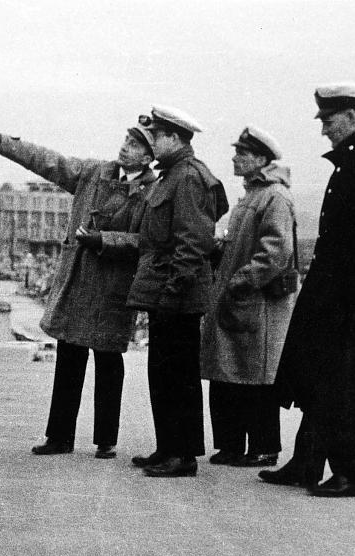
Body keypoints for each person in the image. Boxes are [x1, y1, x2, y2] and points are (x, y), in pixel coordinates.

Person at [0, 119, 158, 459]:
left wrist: (105, 239)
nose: (124, 147)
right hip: (78, 281)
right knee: (69, 359)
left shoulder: (153, 193)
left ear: (148, 158)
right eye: (126, 140)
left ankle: (106, 439)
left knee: (109, 363)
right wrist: (5, 143)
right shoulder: (94, 173)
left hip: (114, 287)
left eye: (134, 145)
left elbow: (147, 241)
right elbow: (50, 161)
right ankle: (59, 437)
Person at [268, 83, 355, 497]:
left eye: (329, 121)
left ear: (350, 116)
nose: (325, 129)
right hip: (338, 285)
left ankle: (352, 473)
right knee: (322, 375)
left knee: (348, 382)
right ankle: (307, 462)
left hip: (352, 289)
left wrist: (345, 297)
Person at [102, 106, 229, 477]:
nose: (152, 143)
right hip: (165, 289)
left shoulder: (188, 177)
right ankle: (168, 447)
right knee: (163, 373)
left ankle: (183, 455)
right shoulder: (173, 175)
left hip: (177, 292)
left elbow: (193, 240)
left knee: (179, 375)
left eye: (156, 136)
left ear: (174, 138)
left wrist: (173, 289)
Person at [201, 126, 297, 468]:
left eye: (242, 153)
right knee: (230, 374)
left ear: (259, 159)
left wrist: (240, 281)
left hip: (257, 303)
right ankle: (230, 445)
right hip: (238, 301)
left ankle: (263, 447)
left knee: (256, 378)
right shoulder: (252, 197)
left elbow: (275, 251)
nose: (235, 157)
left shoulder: (274, 197)